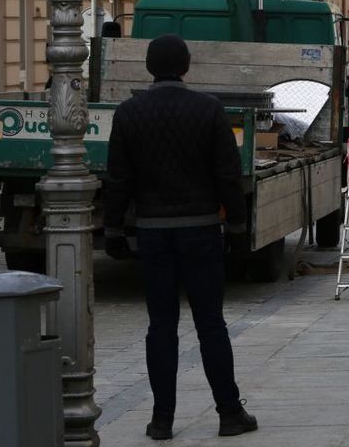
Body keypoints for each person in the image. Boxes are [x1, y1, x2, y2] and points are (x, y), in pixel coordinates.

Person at [104, 34, 257, 440]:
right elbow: (228, 175)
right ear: (186, 67)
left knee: (161, 326)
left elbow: (118, 178)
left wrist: (113, 227)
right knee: (211, 324)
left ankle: (161, 420)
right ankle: (229, 413)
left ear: (150, 68)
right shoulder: (208, 111)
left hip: (153, 234)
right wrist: (239, 227)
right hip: (201, 230)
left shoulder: (129, 113)